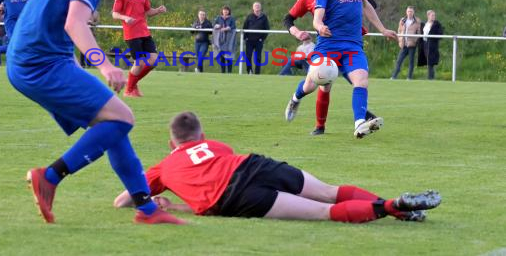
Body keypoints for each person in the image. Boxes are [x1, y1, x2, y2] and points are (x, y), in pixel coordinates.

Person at [6, 0, 184, 225]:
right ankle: (50, 176)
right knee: (123, 117)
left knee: (112, 123)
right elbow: (75, 23)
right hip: (40, 64)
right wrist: (104, 65)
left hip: (34, 59)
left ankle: (147, 209)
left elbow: (47, 13)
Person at [114, 112, 441, 223]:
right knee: (328, 192)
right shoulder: (217, 146)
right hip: (252, 164)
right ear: (201, 135)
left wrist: (166, 200)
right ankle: (399, 209)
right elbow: (215, 167)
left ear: (173, 144)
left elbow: (123, 200)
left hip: (233, 198)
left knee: (321, 213)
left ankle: (389, 207)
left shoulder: (164, 166)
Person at [285, 0, 398, 139]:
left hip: (353, 46)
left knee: (361, 80)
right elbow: (317, 15)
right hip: (328, 47)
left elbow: (366, 5)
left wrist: (383, 29)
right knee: (312, 85)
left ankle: (359, 124)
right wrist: (319, 25)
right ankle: (295, 99)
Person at [112, 0, 167, 97]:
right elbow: (114, 14)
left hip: (144, 32)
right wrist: (125, 18)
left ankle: (131, 84)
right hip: (132, 34)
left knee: (154, 60)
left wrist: (158, 11)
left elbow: (148, 11)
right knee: (140, 63)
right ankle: (129, 90)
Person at [391, 6, 421, 80]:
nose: (409, 13)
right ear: (406, 12)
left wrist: (415, 40)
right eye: (408, 11)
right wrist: (400, 39)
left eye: (411, 11)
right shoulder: (402, 20)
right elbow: (399, 30)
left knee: (411, 62)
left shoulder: (417, 21)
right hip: (403, 44)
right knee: (399, 61)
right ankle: (394, 76)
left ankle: (409, 77)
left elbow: (419, 33)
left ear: (413, 12)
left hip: (412, 45)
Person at [243, 2, 270, 74]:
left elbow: (267, 29)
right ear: (253, 8)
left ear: (260, 8)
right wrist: (245, 38)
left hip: (259, 41)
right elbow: (244, 27)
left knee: (258, 58)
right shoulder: (249, 16)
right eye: (255, 6)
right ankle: (249, 71)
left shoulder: (264, 17)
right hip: (249, 41)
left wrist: (262, 38)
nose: (257, 7)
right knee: (248, 56)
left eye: (258, 6)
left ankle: (257, 73)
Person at [418, 10, 444, 80]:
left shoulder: (437, 24)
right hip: (425, 44)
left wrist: (433, 37)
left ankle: (430, 78)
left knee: (431, 63)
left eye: (434, 15)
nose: (433, 17)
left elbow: (441, 34)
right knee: (428, 62)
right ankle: (431, 78)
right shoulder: (425, 24)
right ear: (428, 16)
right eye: (432, 15)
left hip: (433, 45)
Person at [213, 5, 237, 73]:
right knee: (222, 56)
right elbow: (214, 24)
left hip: (229, 39)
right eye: (224, 10)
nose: (225, 11)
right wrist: (217, 26)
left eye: (227, 10)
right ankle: (222, 71)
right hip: (220, 40)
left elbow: (233, 26)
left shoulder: (231, 18)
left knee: (229, 56)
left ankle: (229, 72)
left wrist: (228, 28)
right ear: (222, 11)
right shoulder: (218, 17)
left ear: (229, 11)